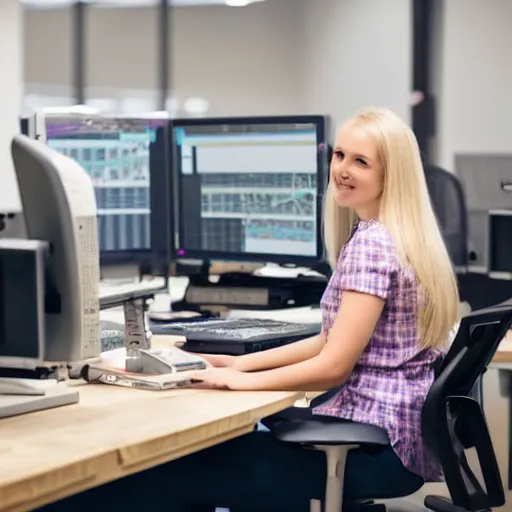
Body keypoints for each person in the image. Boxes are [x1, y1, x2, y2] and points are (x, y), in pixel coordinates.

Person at [39, 107, 460, 512]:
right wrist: (239, 366)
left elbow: (333, 367)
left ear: (391, 174)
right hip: (382, 443)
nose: (342, 169)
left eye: (361, 162)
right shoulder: (397, 237)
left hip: (365, 451)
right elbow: (330, 339)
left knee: (156, 472)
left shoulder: (373, 245)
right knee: (203, 456)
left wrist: (234, 384)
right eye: (339, 154)